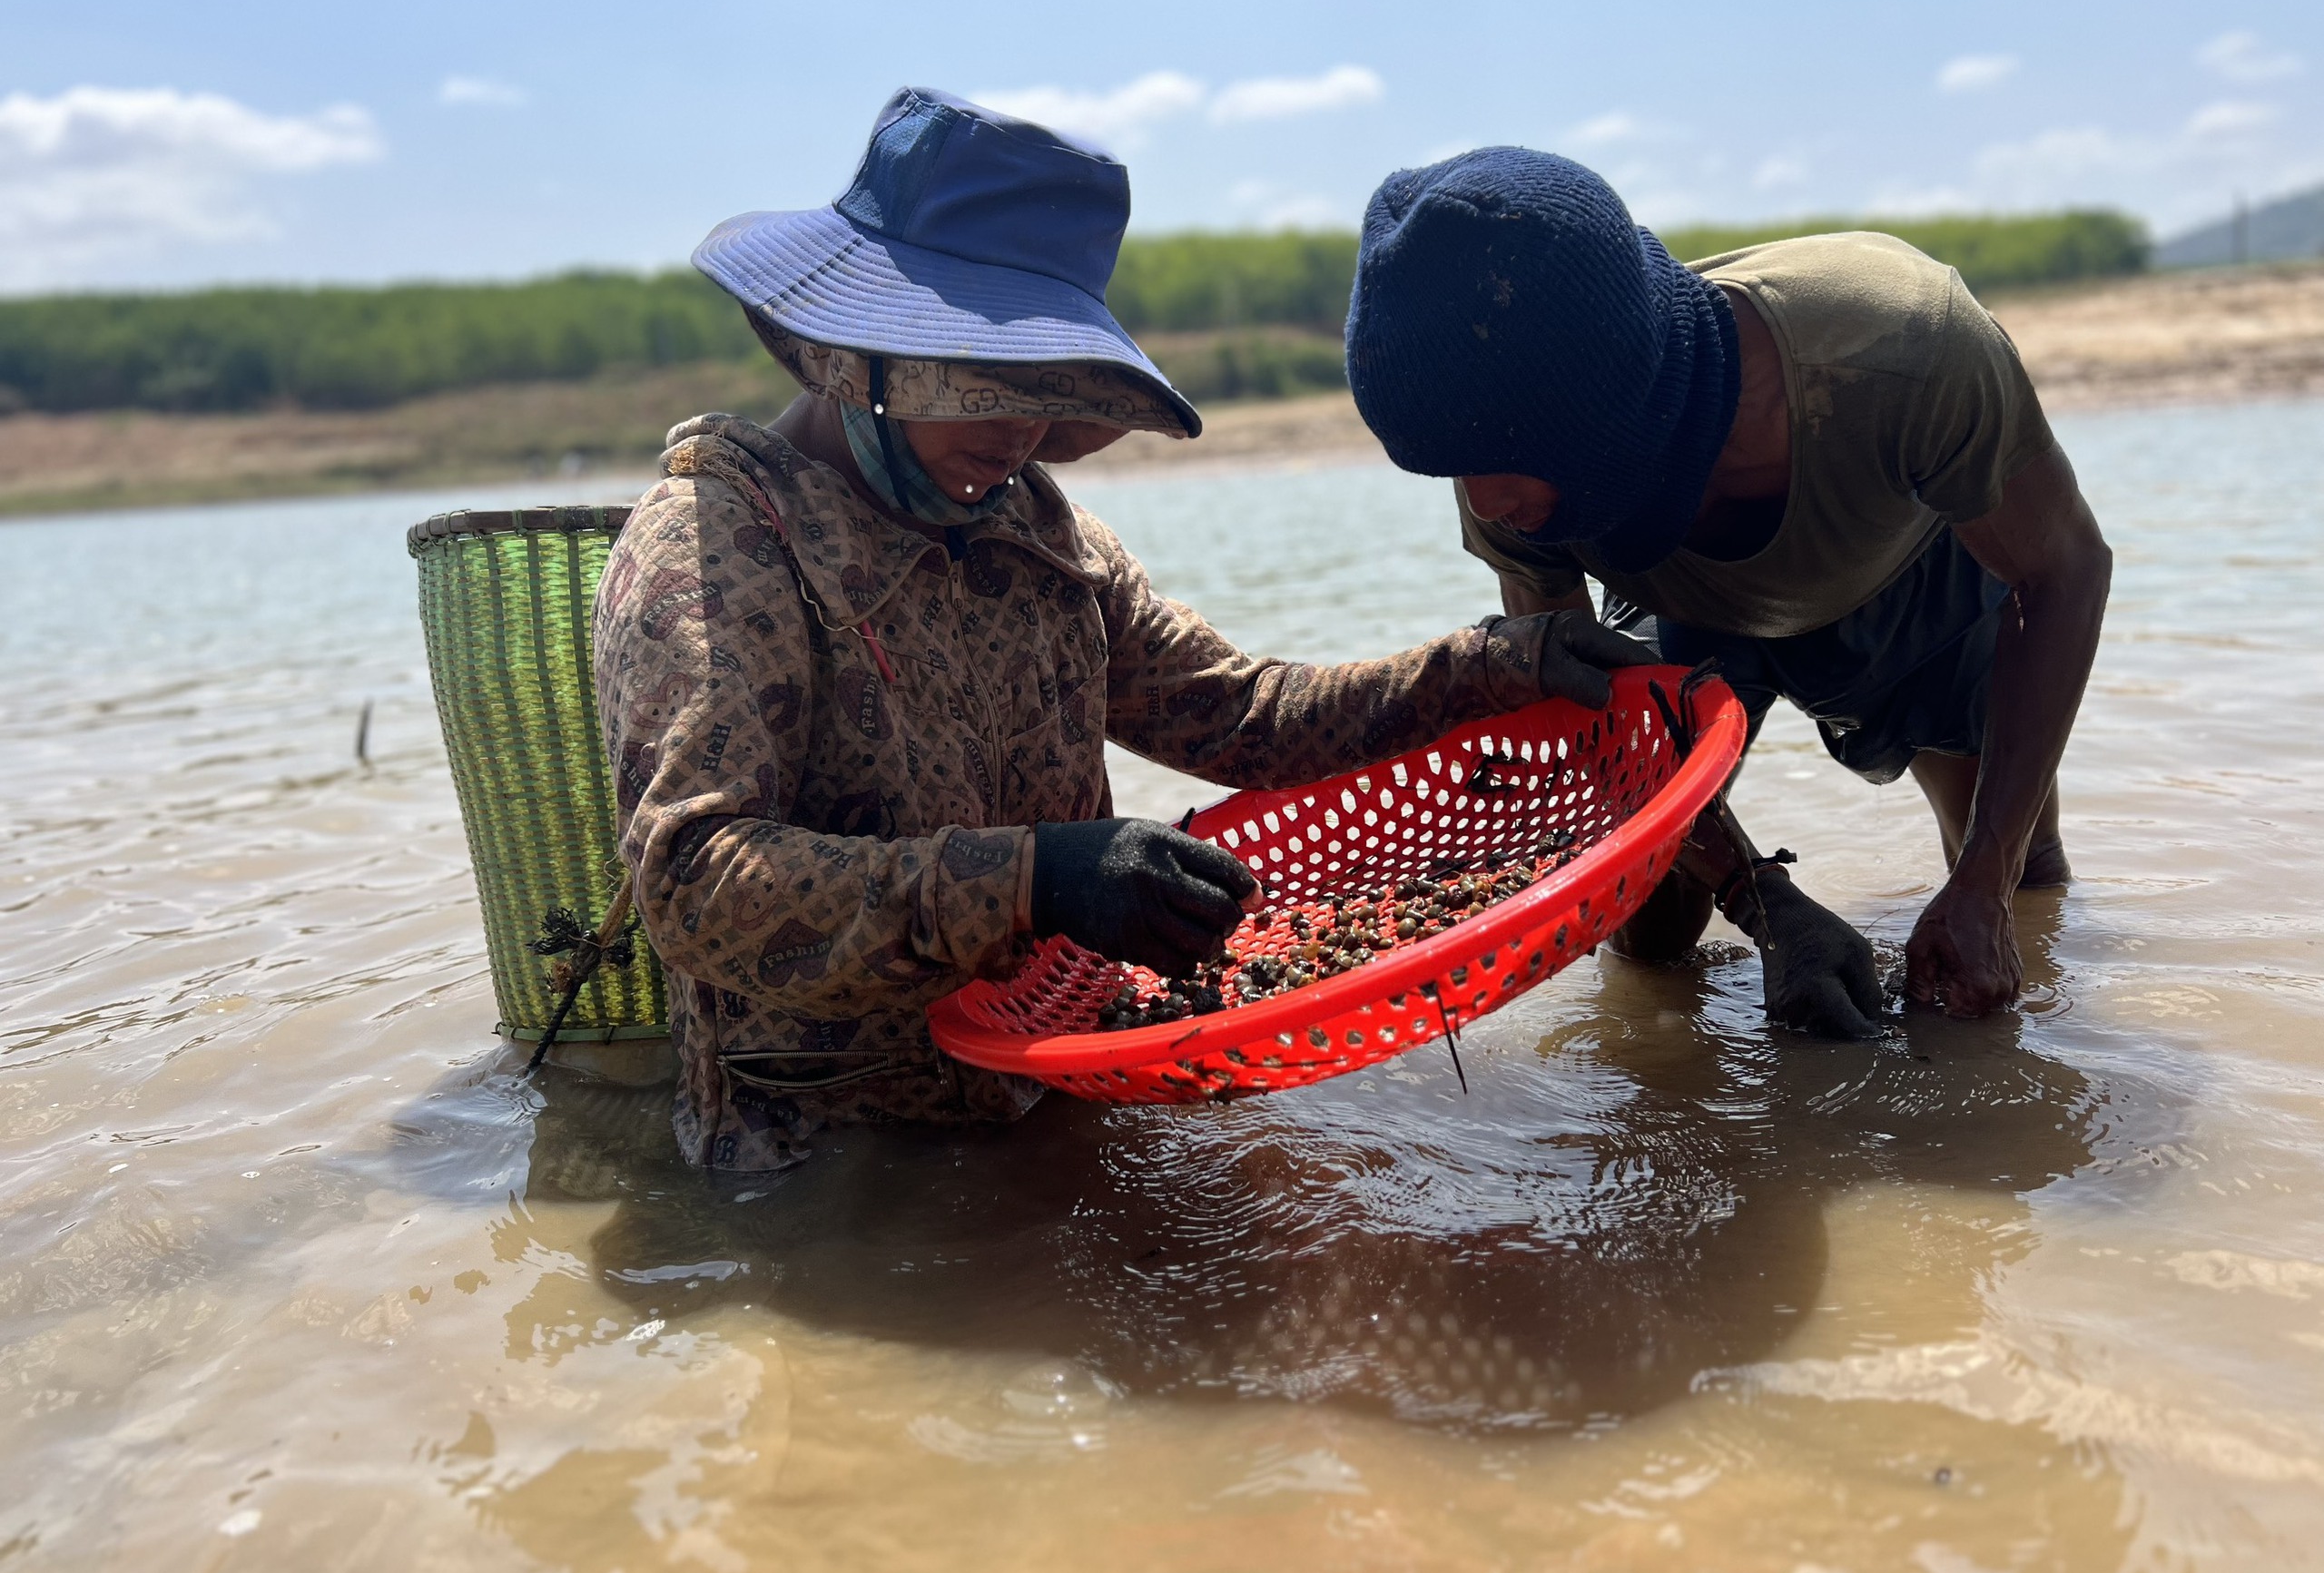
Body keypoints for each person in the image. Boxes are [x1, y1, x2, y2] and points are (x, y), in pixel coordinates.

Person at [594, 91, 1653, 1172]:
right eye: (979, 380)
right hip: (835, 1148)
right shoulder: (719, 545)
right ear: (853, 350)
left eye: (1043, 392)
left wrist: (1496, 665)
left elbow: (1243, 717)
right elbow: (694, 883)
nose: (1020, 432)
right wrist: (1037, 880)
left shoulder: (1042, 537)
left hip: (1057, 1083)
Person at [1344, 149, 2112, 1032]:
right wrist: (1764, 904)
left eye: (1499, 467)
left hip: (1902, 581)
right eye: (1449, 470)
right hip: (1679, 611)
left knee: (2026, 885)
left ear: (1607, 409)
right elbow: (1588, 722)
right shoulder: (1498, 442)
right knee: (1643, 936)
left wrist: (1985, 873)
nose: (1483, 505)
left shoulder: (1905, 348)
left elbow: (2065, 571)